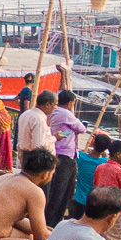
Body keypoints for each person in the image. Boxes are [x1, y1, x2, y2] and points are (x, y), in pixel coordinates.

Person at [44, 89, 91, 227]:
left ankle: (51, 221)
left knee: (55, 190)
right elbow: (82, 128)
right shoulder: (65, 114)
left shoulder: (54, 112)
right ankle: (53, 224)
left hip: (57, 151)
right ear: (70, 103)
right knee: (61, 191)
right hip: (65, 155)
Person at [72, 133, 110, 218]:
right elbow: (106, 158)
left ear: (93, 144)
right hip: (95, 201)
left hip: (79, 199)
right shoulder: (105, 162)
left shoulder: (81, 157)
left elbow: (76, 150)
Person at [17, 89, 57, 166]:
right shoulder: (39, 119)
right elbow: (39, 145)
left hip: (25, 155)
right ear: (47, 105)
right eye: (55, 104)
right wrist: (55, 138)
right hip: (35, 160)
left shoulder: (26, 114)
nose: (55, 107)